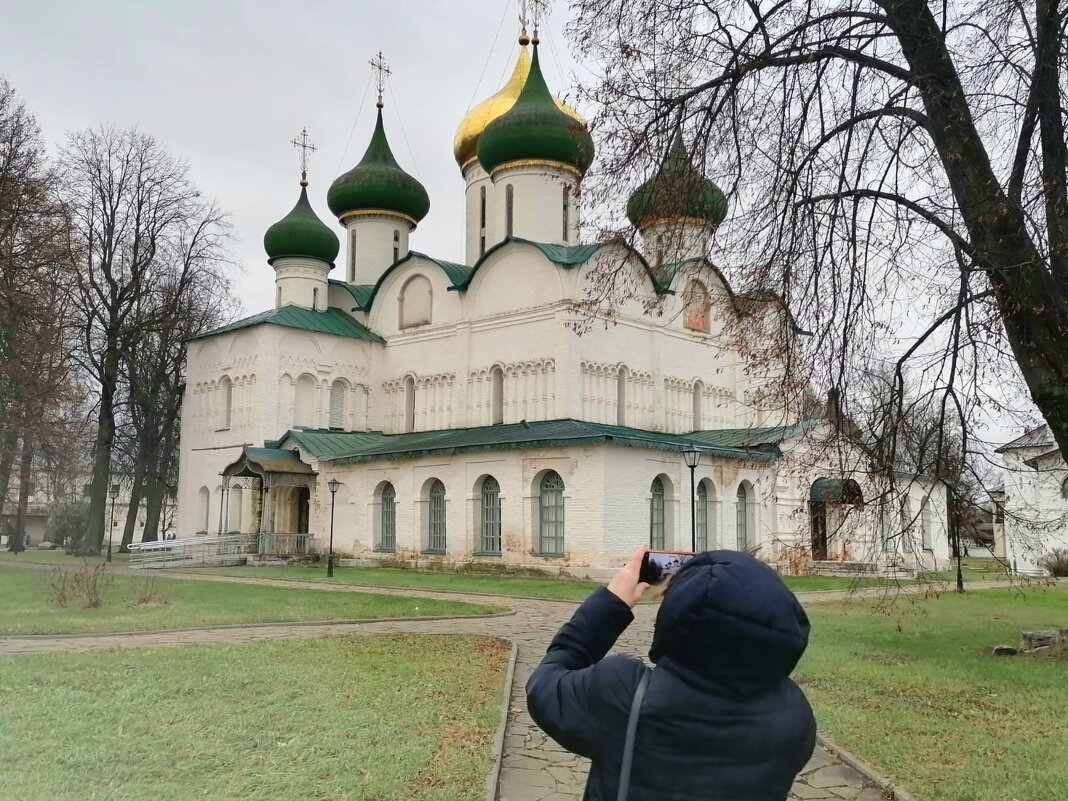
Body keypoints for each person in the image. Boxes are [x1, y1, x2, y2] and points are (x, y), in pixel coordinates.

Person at [526, 547, 816, 800]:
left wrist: (612, 602)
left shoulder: (624, 695)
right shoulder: (795, 719)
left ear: (678, 612)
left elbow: (545, 685)